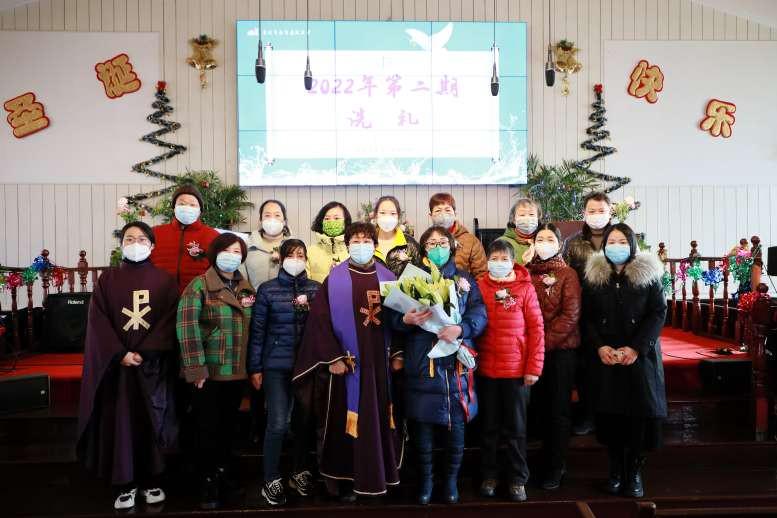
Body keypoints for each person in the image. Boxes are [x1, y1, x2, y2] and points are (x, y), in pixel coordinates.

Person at [293, 222, 403, 501]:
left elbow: (400, 318)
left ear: (375, 245)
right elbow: (319, 322)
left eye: (367, 240)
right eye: (356, 240)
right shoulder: (335, 279)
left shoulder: (389, 277)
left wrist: (397, 352)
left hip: (379, 366)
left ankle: (380, 475)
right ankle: (343, 479)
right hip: (348, 365)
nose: (361, 245)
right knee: (344, 421)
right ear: (348, 245)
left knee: (379, 419)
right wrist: (333, 356)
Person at [77, 221, 179, 511]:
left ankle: (152, 480)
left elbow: (170, 319)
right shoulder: (107, 280)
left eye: (142, 239)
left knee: (152, 421)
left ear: (152, 245)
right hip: (117, 369)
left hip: (152, 366)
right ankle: (125, 482)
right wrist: (119, 352)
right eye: (129, 239)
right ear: (121, 245)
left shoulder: (165, 281)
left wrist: (147, 351)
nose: (136, 243)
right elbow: (97, 320)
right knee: (121, 422)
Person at [398, 225, 487, 505]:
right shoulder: (411, 279)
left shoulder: (464, 279)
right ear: (423, 249)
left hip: (454, 366)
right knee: (422, 430)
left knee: (456, 430)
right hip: (422, 363)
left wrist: (461, 329)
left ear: (451, 246)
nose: (437, 248)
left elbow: (479, 313)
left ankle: (450, 481)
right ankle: (426, 481)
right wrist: (405, 320)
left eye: (442, 243)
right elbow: (392, 318)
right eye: (431, 243)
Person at [582, 223, 667, 498]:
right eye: (611, 242)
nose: (616, 247)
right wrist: (599, 347)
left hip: (639, 357)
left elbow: (658, 312)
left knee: (638, 418)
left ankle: (635, 473)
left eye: (622, 242)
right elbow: (587, 317)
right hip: (607, 358)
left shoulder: (648, 274)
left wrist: (636, 348)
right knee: (611, 418)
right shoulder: (595, 276)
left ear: (631, 245)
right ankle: (616, 472)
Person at [176, 233, 255, 510]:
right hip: (208, 373)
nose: (232, 256)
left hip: (237, 371)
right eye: (226, 250)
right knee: (207, 428)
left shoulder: (246, 288)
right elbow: (187, 327)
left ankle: (224, 474)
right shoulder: (199, 285)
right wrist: (195, 368)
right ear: (215, 253)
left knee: (229, 428)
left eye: (237, 251)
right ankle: (207, 480)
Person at [247, 239, 322, 506]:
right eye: (291, 255)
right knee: (278, 423)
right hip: (275, 366)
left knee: (303, 423)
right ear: (280, 258)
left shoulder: (316, 289)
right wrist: (255, 367)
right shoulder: (267, 290)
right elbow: (257, 332)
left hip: (305, 368)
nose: (296, 259)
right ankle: (271, 478)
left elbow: (323, 328)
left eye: (301, 255)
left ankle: (299, 471)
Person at [476, 239, 543, 502]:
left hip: (516, 372)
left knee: (516, 430)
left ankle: (517, 479)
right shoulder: (479, 286)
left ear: (513, 261)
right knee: (489, 428)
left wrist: (533, 368)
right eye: (494, 258)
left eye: (504, 259)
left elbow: (536, 329)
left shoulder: (525, 288)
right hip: (486, 371)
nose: (499, 263)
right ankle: (489, 476)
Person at [526, 223, 582, 490]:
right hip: (532, 353)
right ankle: (539, 462)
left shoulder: (568, 274)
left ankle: (556, 465)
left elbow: (570, 315)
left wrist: (541, 344)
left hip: (560, 351)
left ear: (559, 245)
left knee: (558, 410)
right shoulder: (526, 273)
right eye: (540, 239)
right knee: (537, 407)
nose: (544, 243)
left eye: (550, 239)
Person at [563, 191, 613, 436]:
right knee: (587, 367)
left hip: (615, 310)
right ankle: (588, 415)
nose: (596, 215)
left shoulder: (620, 237)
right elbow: (566, 276)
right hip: (584, 311)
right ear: (583, 213)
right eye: (591, 211)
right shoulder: (572, 243)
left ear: (610, 212)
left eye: (601, 211)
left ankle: (611, 415)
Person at [150, 185, 219, 293]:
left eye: (192, 205)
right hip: (159, 296)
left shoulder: (212, 236)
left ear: (200, 210)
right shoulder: (155, 233)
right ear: (174, 208)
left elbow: (218, 271)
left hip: (197, 298)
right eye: (181, 204)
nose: (187, 207)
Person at [428, 192, 487, 277]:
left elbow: (481, 274)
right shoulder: (427, 240)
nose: (443, 214)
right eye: (438, 210)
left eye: (447, 210)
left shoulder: (471, 241)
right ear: (431, 215)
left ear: (455, 214)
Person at [242, 199, 292, 290]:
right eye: (267, 215)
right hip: (256, 298)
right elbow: (242, 281)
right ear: (260, 220)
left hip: (287, 298)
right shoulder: (247, 245)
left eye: (277, 215)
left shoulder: (294, 246)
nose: (272, 219)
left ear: (284, 221)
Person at [372, 195, 421, 276]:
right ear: (376, 215)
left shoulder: (409, 243)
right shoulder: (368, 242)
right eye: (382, 213)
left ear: (398, 217)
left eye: (393, 213)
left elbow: (420, 272)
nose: (387, 217)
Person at [307, 201, 352, 283]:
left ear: (345, 222)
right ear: (321, 222)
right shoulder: (309, 251)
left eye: (336, 218)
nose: (331, 221)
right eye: (327, 219)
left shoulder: (354, 251)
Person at [496, 198, 541, 266]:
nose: (527, 218)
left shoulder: (545, 241)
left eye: (531, 214)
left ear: (538, 218)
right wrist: (525, 265)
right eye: (522, 215)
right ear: (513, 219)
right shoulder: (501, 243)